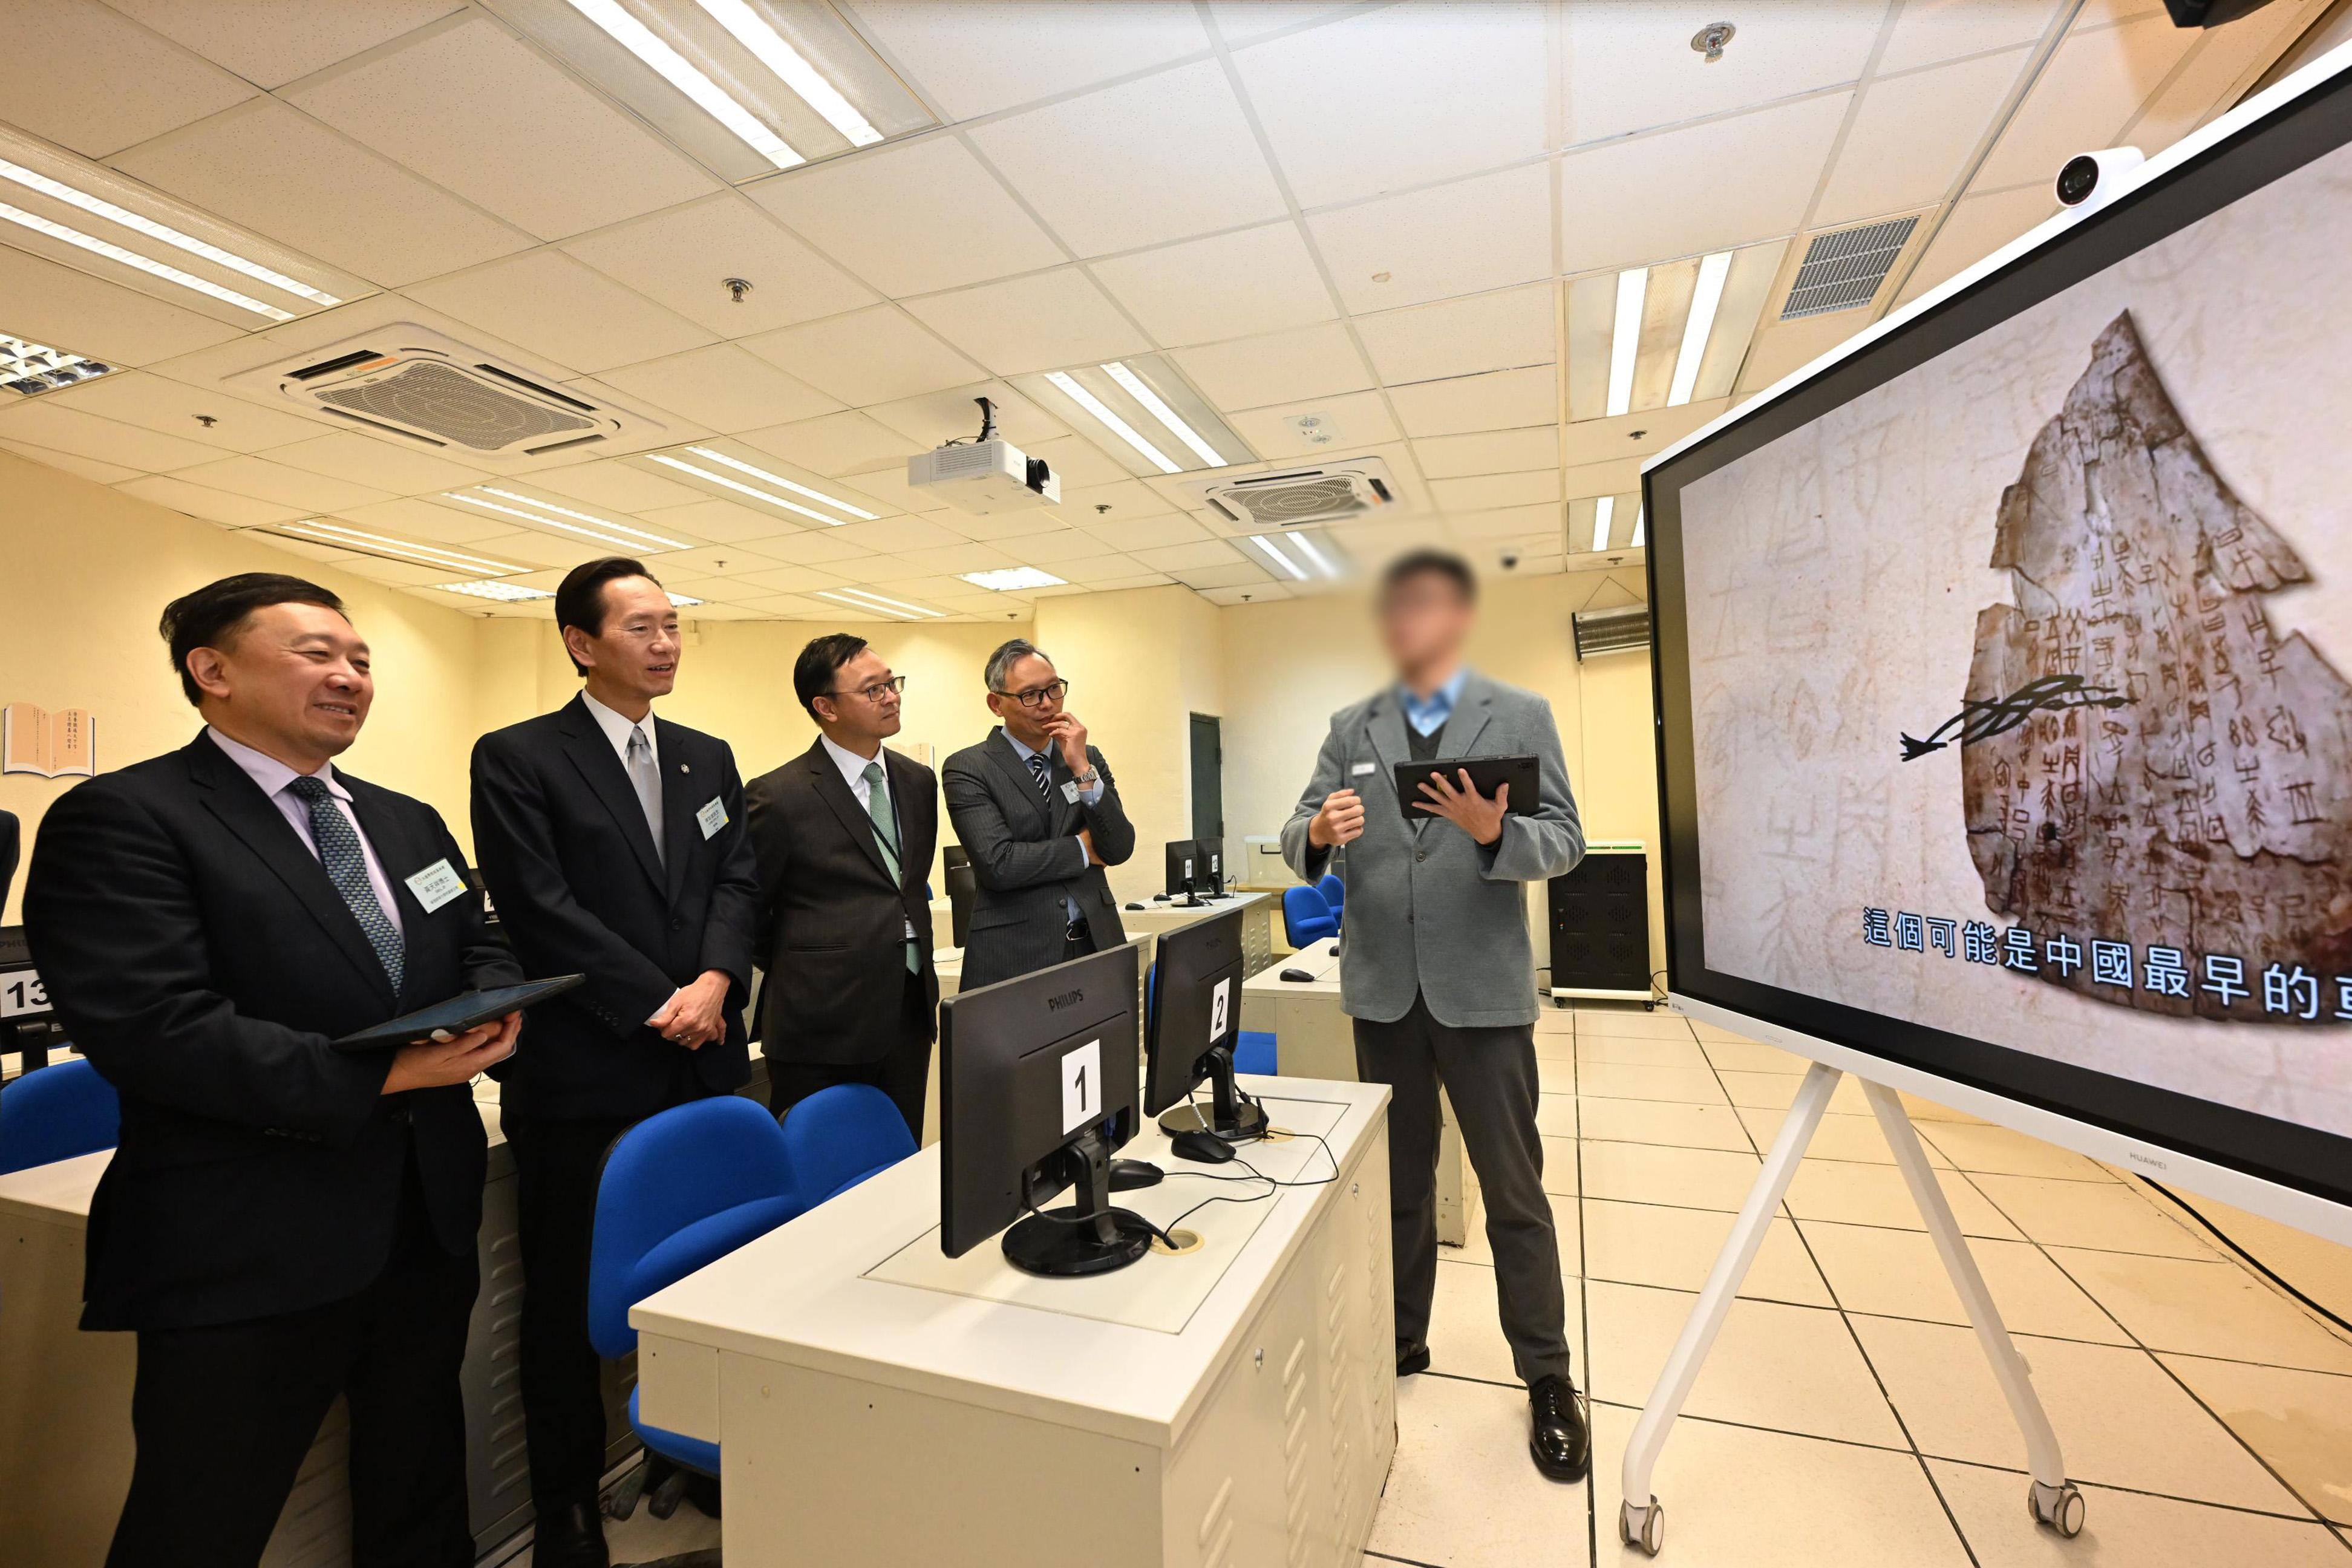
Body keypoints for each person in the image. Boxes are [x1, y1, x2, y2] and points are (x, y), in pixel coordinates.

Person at [24, 573, 523, 1568]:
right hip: (245, 1236)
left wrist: (500, 1000)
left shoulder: (405, 819)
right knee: (204, 1513)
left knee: (417, 1483)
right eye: (316, 654)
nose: (350, 677)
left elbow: (477, 940)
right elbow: (152, 1026)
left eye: (361, 659)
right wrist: (383, 1078)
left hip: (421, 1217)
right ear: (211, 670)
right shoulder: (127, 816)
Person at [469, 557, 760, 1566]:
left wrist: (716, 981)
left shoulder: (705, 755)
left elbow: (736, 880)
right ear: (582, 644)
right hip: (588, 1073)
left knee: (715, 1277)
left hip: (703, 1058)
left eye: (674, 625)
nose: (666, 643)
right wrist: (655, 1001)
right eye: (641, 627)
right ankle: (566, 1508)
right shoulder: (518, 757)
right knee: (562, 1306)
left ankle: (703, 1452)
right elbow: (542, 908)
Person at [1281, 549, 1591, 1483]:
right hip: (1385, 993)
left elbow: (1566, 842)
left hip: (1483, 997)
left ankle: (1546, 1376)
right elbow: (1297, 828)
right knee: (1402, 1184)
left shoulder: (1520, 714)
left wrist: (1496, 831)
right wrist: (1318, 837)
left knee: (1512, 1191)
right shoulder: (1351, 727)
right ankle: (1399, 1340)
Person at [744, 635, 938, 1135]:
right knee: (823, 1179)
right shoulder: (778, 795)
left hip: (908, 1009)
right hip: (821, 1023)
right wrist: (818, 963)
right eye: (873, 690)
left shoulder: (917, 782)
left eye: (892, 684)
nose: (892, 696)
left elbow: (906, 886)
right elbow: (749, 911)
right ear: (825, 707)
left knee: (899, 1160)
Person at [941, 639, 1134, 991]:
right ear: (996, 704)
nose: (1047, 704)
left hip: (1096, 943)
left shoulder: (1085, 756)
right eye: (1030, 695)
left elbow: (1119, 846)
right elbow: (999, 864)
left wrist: (1080, 766)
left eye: (1054, 689)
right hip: (1016, 953)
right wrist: (1081, 849)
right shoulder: (969, 767)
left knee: (1100, 1046)